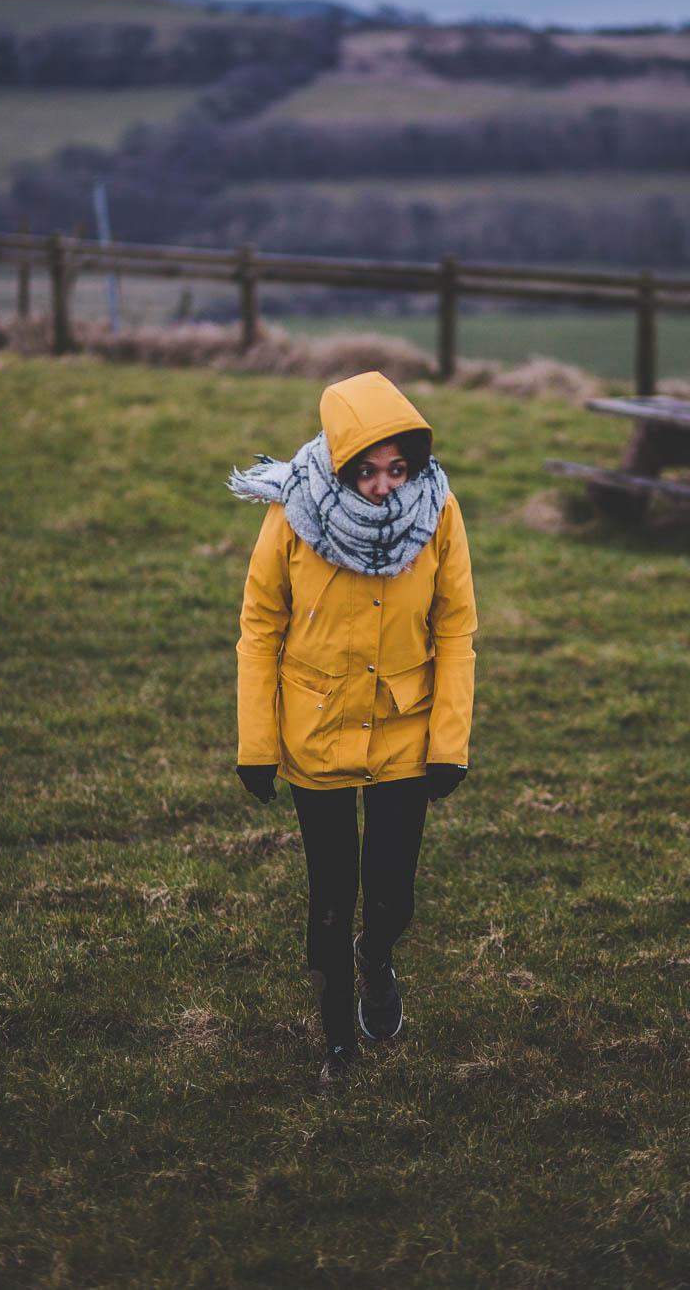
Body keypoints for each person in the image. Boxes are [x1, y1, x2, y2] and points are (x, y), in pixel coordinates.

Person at [229, 371, 477, 1089]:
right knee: (332, 893)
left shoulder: (439, 513)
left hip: (406, 731)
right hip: (316, 733)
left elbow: (457, 628)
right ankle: (338, 1030)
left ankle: (379, 958)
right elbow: (260, 627)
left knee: (392, 892)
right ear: (337, 464)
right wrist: (256, 744)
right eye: (365, 471)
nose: (382, 487)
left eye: (398, 470)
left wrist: (450, 744)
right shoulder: (292, 516)